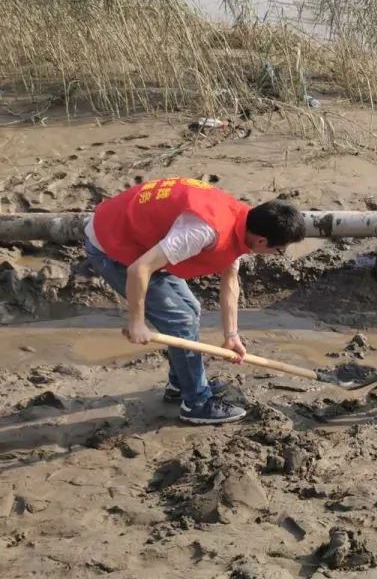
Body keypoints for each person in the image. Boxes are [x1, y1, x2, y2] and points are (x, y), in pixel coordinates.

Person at [84, 177, 305, 424]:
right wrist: (137, 322)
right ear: (262, 241)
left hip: (143, 237)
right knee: (182, 320)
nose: (277, 255)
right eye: (280, 250)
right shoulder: (203, 230)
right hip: (112, 243)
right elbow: (139, 269)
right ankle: (196, 402)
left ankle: (180, 385)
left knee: (191, 308)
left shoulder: (241, 221)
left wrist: (231, 335)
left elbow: (230, 280)